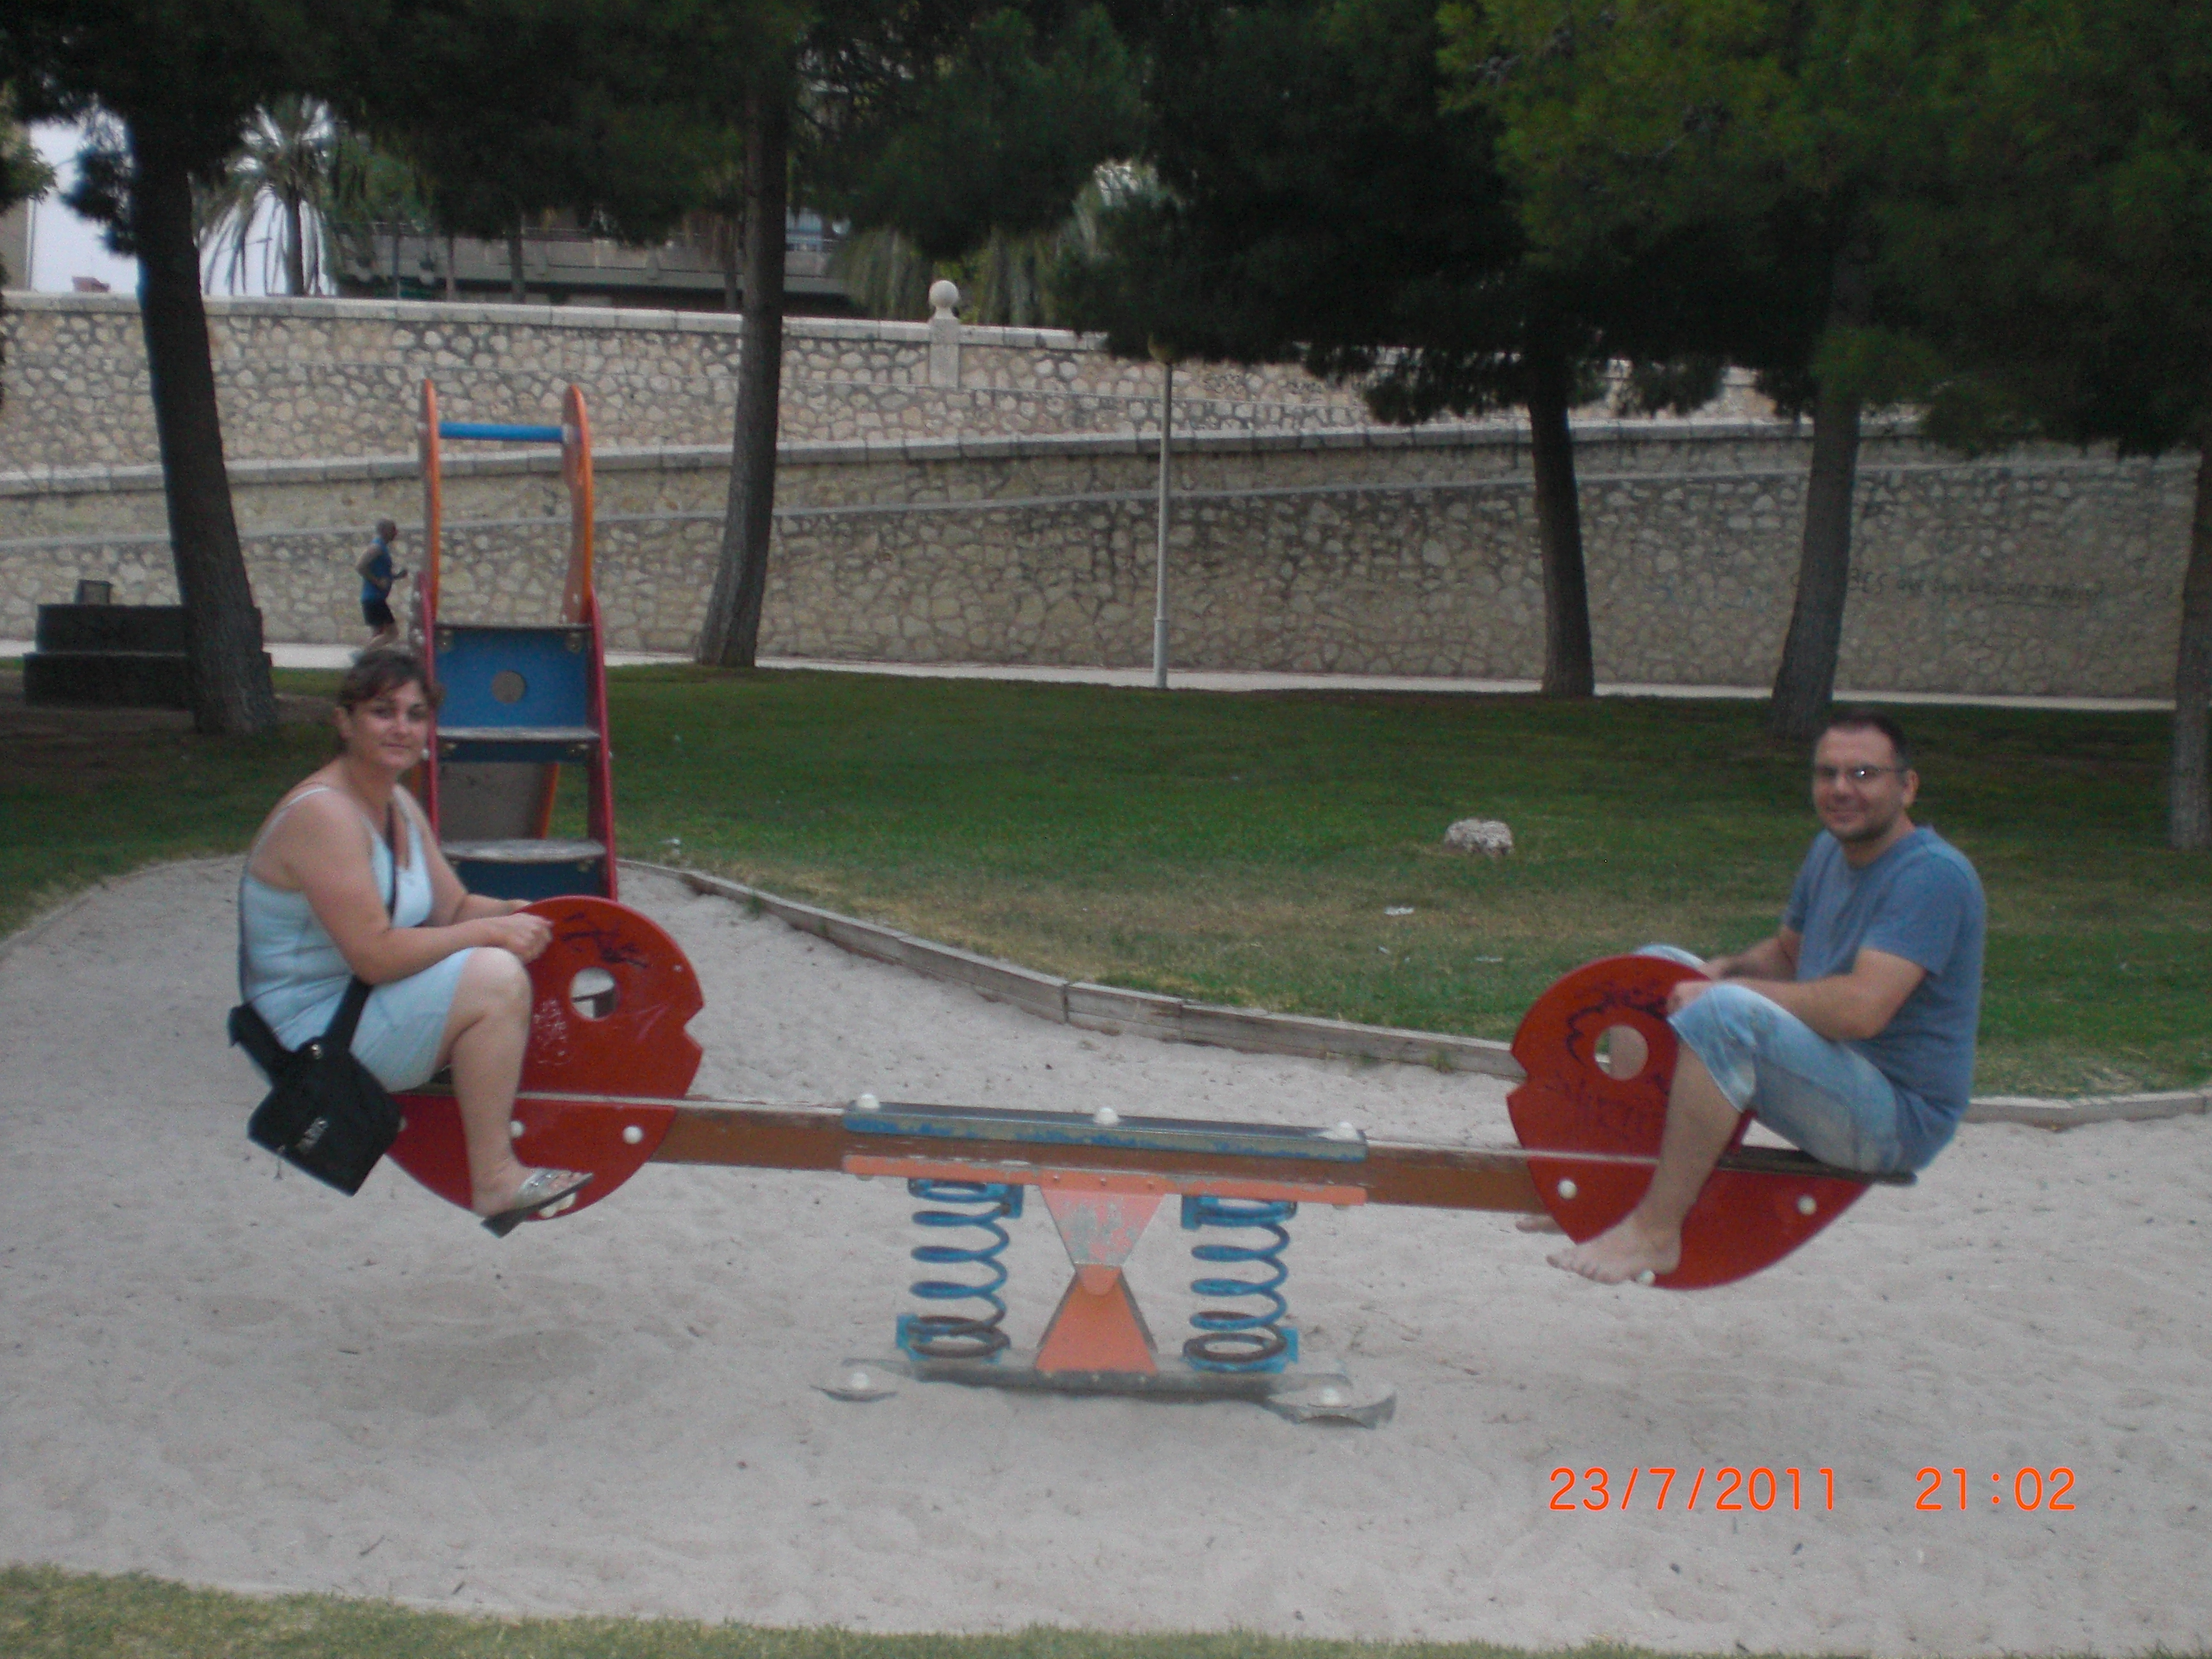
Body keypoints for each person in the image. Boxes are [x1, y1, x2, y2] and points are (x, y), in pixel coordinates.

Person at [1550, 709, 1985, 1285]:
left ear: (1906, 786)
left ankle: (1655, 1233)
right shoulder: (1830, 851)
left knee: (1723, 1013)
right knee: (1656, 971)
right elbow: (1787, 954)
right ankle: (1623, 1190)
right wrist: (1723, 968)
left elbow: (1862, 1010)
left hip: (1896, 1118)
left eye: (1863, 774)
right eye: (1827, 773)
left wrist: (1729, 992)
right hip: (1837, 1071)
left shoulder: (1933, 876)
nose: (1841, 789)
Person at [238, 646, 589, 1236]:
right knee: (495, 979)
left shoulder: (396, 803)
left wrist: (528, 915)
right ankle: (494, 1179)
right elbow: (375, 957)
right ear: (344, 722)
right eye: (382, 712)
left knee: (504, 953)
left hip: (355, 1002)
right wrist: (490, 933)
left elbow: (453, 907)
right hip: (314, 1035)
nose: (401, 727)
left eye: (416, 713)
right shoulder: (324, 815)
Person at [355, 519, 408, 650]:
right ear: (384, 531)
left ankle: (369, 659)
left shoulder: (382, 548)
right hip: (374, 598)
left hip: (375, 598)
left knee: (378, 634)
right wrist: (377, 582)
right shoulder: (377, 547)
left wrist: (396, 576)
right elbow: (360, 566)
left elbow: (382, 574)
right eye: (393, 530)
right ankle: (363, 655)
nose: (396, 533)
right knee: (392, 633)